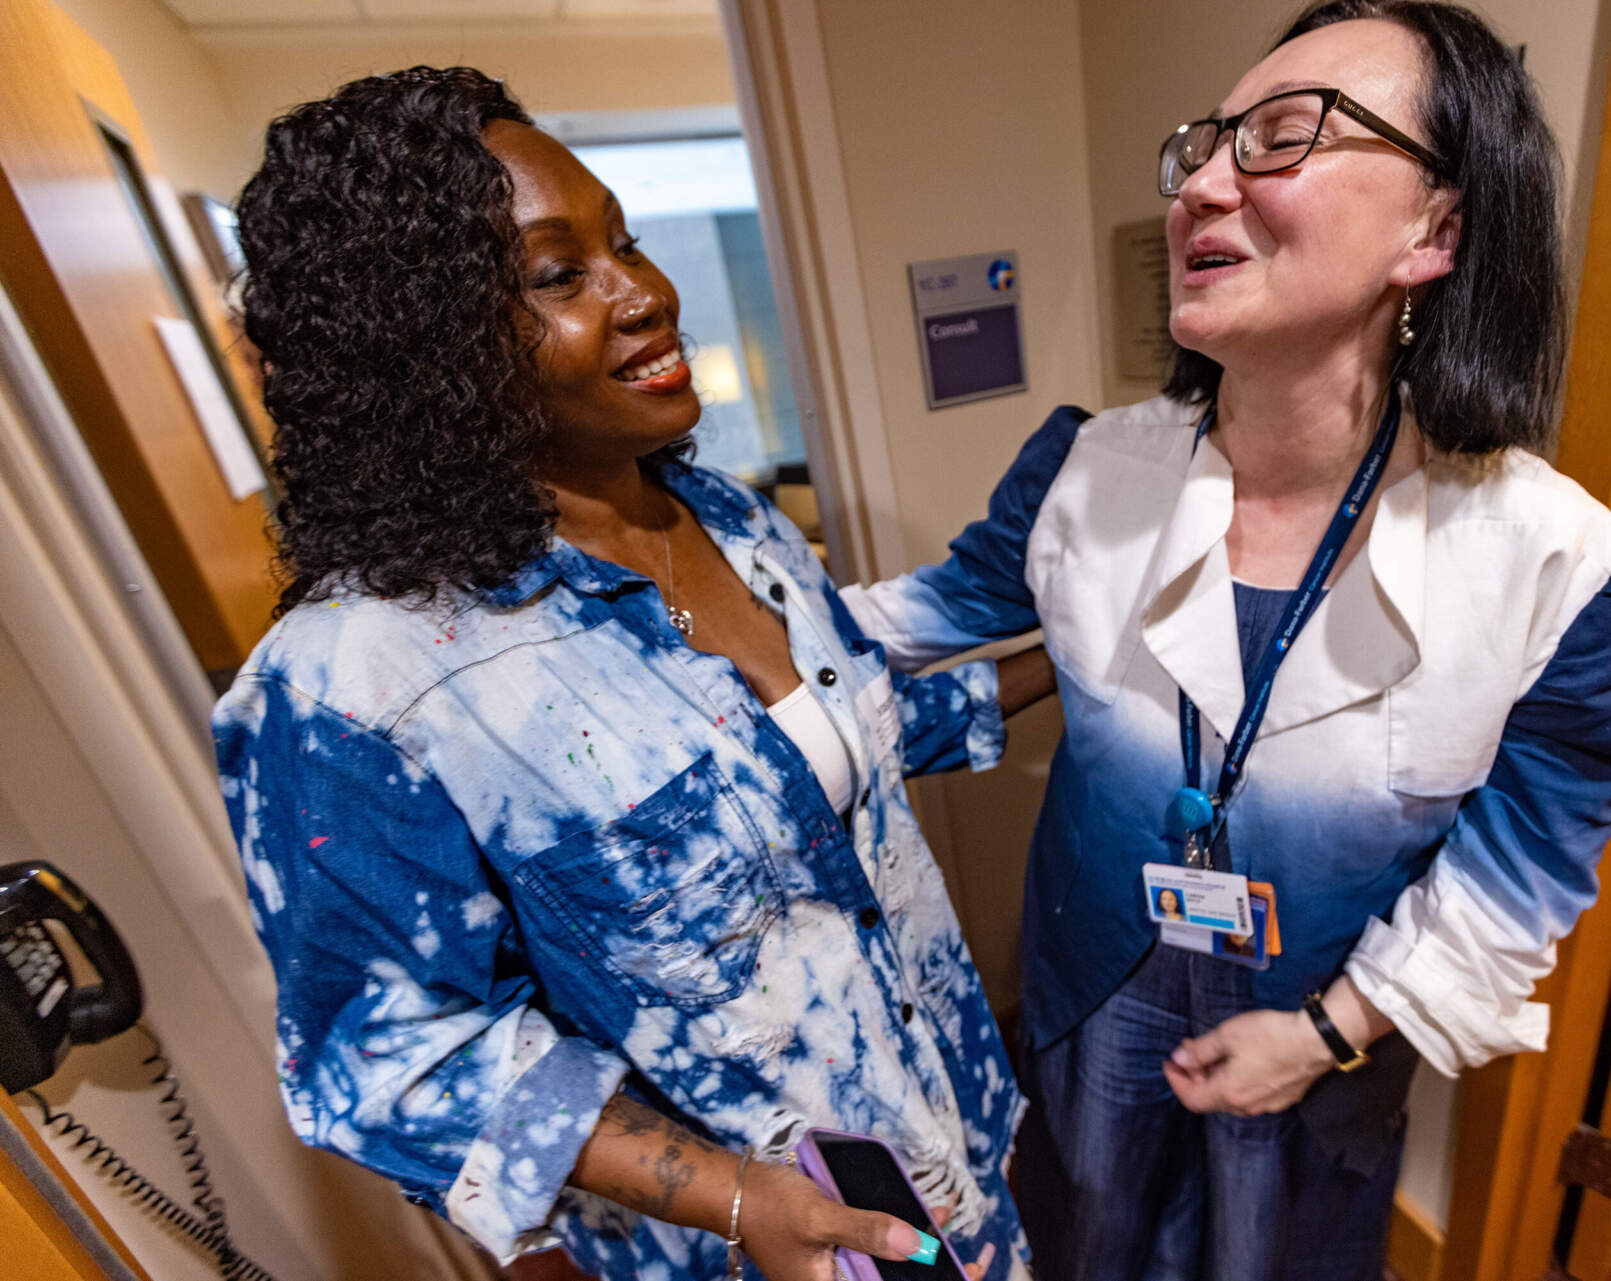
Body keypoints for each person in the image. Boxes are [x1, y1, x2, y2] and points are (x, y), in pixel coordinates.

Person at [840, 4, 1611, 1279]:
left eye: (1284, 135)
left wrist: (1329, 1035)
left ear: (1436, 231)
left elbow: (1520, 867)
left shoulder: (1570, 576)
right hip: (1095, 980)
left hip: (1325, 1025)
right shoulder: (1082, 471)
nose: (1201, 185)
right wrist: (660, 600)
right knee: (1087, 1237)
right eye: (1205, 143)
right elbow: (892, 628)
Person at [212, 67, 1051, 1281]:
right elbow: (387, 1058)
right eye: (560, 275)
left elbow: (831, 741)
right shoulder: (356, 687)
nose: (646, 294)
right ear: (421, 346)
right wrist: (734, 1199)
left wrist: (1063, 660)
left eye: (627, 242)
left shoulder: (729, 520)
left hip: (949, 1135)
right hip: (759, 1246)